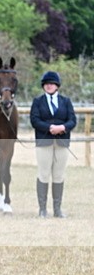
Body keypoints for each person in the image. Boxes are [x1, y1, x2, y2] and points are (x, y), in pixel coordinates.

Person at [30, 71, 77, 218]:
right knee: (43, 174)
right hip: (44, 141)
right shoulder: (37, 102)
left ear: (57, 86)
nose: (49, 86)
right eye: (46, 84)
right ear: (43, 86)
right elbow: (35, 120)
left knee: (59, 175)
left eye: (52, 83)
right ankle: (42, 209)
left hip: (62, 142)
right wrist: (50, 128)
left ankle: (57, 209)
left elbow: (72, 120)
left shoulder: (66, 101)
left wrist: (62, 128)